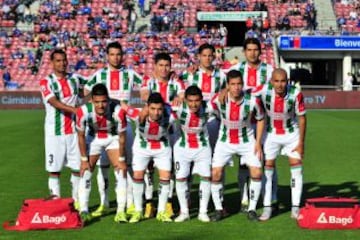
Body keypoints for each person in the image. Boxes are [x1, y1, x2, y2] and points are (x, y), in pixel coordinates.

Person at [84, 41, 142, 218]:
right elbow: (86, 92)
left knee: (127, 165)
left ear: (122, 55)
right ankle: (104, 202)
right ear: (107, 56)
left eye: (118, 54)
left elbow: (148, 84)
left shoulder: (130, 74)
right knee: (103, 167)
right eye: (112, 54)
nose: (116, 57)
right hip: (102, 127)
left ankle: (130, 203)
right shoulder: (99, 74)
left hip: (124, 127)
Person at [210, 70, 265, 222]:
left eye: (239, 84)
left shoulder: (252, 101)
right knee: (215, 173)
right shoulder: (217, 99)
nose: (236, 87)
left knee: (256, 172)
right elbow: (204, 109)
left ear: (243, 84)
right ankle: (219, 209)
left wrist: (258, 142)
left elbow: (261, 119)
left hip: (247, 141)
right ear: (227, 85)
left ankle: (252, 209)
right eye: (232, 84)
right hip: (224, 140)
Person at [255, 68, 306, 221]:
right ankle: (267, 208)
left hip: (291, 134)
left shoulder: (296, 93)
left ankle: (295, 208)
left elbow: (302, 118)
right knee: (268, 170)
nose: (280, 85)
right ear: (271, 81)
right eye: (276, 81)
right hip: (271, 135)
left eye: (283, 81)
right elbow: (241, 90)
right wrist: (224, 91)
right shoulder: (263, 90)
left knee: (296, 168)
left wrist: (301, 143)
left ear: (287, 81)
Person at [230, 37, 274, 213]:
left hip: (264, 123)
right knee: (243, 164)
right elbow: (224, 86)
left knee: (265, 161)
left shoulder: (269, 70)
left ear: (260, 51)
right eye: (249, 49)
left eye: (256, 49)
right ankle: (244, 198)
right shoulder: (237, 69)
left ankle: (269, 196)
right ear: (244, 52)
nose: (252, 52)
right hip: (245, 125)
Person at [140, 52, 185, 218]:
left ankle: (168, 203)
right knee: (149, 167)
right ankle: (149, 202)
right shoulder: (148, 80)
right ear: (155, 66)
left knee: (170, 168)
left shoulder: (176, 81)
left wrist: (180, 98)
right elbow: (144, 95)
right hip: (151, 131)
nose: (164, 69)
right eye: (161, 65)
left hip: (171, 131)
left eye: (167, 65)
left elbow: (182, 95)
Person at [76, 83, 128, 223]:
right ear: (91, 100)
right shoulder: (82, 112)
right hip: (93, 138)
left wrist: (122, 159)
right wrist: (83, 159)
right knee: (86, 170)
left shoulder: (118, 112)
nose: (100, 106)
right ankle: (84, 210)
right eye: (97, 102)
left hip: (112, 138)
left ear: (108, 100)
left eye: (104, 101)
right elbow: (80, 136)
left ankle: (121, 211)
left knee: (121, 171)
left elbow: (122, 137)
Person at [124, 92, 177, 223]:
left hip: (162, 146)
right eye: (153, 109)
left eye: (159, 109)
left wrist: (179, 98)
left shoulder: (170, 113)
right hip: (142, 146)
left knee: (165, 176)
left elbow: (187, 105)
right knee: (138, 175)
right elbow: (122, 105)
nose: (156, 113)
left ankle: (161, 211)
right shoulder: (137, 114)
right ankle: (138, 211)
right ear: (147, 107)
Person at [39, 49, 82, 207]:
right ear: (51, 63)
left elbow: (88, 91)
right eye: (58, 60)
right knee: (54, 169)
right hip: (54, 133)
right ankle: (55, 203)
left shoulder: (75, 79)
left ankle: (76, 202)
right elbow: (53, 102)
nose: (62, 63)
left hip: (74, 132)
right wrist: (75, 110)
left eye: (64, 60)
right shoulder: (46, 81)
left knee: (77, 168)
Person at [173, 86, 212, 222]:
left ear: (201, 99)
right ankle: (184, 212)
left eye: (196, 101)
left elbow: (223, 99)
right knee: (181, 178)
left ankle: (203, 212)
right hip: (182, 148)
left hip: (202, 147)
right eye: (190, 101)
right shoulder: (178, 108)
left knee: (206, 178)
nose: (194, 104)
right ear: (185, 100)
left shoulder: (209, 107)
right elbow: (160, 107)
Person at [182, 43, 227, 151]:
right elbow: (176, 83)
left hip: (212, 119)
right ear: (199, 56)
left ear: (214, 57)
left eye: (210, 56)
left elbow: (226, 91)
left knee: (212, 151)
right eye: (204, 55)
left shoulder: (221, 75)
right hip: (192, 118)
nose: (207, 58)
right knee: (191, 150)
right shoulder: (190, 73)